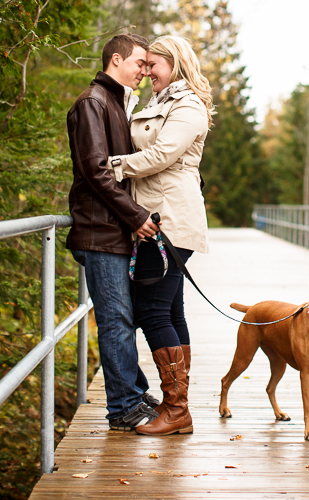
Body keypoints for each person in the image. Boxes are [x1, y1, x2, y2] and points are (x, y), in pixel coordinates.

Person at [109, 36, 213, 436]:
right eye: (145, 64)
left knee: (152, 310)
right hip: (158, 218)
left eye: (154, 64)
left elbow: (161, 156)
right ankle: (177, 408)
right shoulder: (158, 102)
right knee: (170, 311)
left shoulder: (188, 105)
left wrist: (109, 166)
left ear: (176, 63)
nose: (147, 71)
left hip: (170, 220)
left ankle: (177, 409)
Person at [66, 34, 161, 431]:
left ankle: (134, 392)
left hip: (113, 231)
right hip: (100, 232)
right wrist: (136, 217)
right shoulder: (93, 102)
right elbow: (97, 171)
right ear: (117, 59)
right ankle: (123, 408)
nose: (145, 71)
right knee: (116, 320)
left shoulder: (115, 103)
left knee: (124, 317)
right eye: (140, 63)